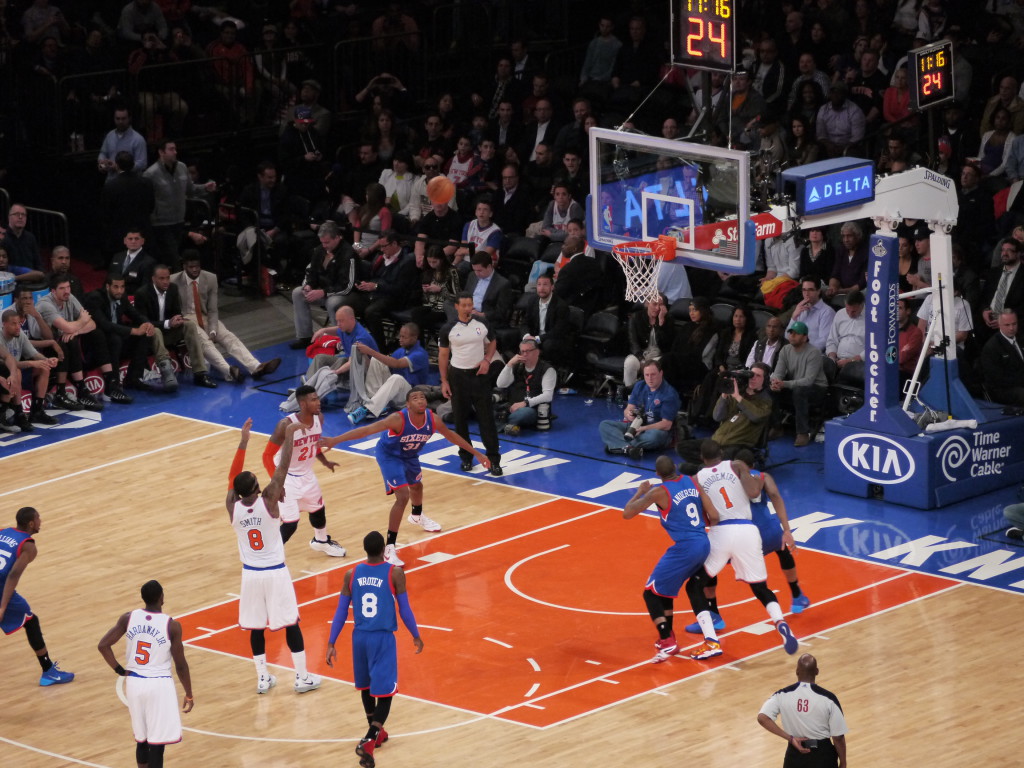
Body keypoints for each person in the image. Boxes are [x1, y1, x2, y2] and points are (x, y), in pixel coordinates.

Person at [322, 388, 490, 565]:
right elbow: (367, 430)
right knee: (402, 496)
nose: (420, 400)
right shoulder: (397, 419)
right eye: (415, 398)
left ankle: (417, 516)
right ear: (407, 404)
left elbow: (452, 436)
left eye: (422, 397)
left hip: (409, 455)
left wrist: (477, 454)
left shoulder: (433, 419)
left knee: (417, 486)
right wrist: (335, 440)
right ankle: (389, 548)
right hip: (389, 455)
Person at [229, 418, 323, 694]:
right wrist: (290, 434)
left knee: (257, 627)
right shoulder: (269, 500)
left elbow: (231, 478)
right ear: (257, 488)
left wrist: (244, 442)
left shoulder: (231, 506)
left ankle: (262, 677)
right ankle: (302, 677)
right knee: (290, 622)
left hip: (250, 575)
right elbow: (283, 467)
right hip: (275, 572)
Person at [689, 439, 799, 660]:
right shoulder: (737, 465)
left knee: (696, 583)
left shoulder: (696, 479)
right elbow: (752, 492)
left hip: (721, 531)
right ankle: (781, 622)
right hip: (748, 531)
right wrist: (754, 478)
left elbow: (706, 513)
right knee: (760, 588)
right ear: (722, 453)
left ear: (702, 459)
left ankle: (711, 639)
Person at [327, 531, 424, 768]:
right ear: (384, 550)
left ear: (365, 549)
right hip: (382, 639)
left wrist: (331, 642)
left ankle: (377, 733)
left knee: (367, 687)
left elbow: (341, 612)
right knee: (387, 693)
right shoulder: (395, 572)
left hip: (359, 638)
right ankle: (369, 739)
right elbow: (405, 610)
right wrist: (416, 635)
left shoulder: (351, 574)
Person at [623, 455, 718, 663]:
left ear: (657, 474)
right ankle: (670, 636)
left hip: (685, 547)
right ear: (675, 467)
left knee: (650, 592)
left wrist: (640, 492)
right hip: (704, 541)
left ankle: (667, 640)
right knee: (665, 591)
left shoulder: (658, 492)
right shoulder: (691, 480)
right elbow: (712, 514)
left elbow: (627, 513)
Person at [97, 579, 193, 768]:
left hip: (134, 683)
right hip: (158, 685)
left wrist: (118, 669)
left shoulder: (128, 618)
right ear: (161, 598)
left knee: (142, 739)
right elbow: (181, 666)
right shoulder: (172, 626)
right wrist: (189, 693)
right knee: (157, 743)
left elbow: (103, 645)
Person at [171, 251, 281, 384]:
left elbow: (212, 309)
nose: (194, 270)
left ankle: (256, 367)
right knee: (205, 341)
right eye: (190, 267)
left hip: (206, 316)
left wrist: (212, 329)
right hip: (186, 319)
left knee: (227, 336)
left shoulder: (210, 278)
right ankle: (228, 371)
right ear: (184, 266)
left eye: (197, 266)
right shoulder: (173, 281)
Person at [264, 385, 347, 556]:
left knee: (318, 510)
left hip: (307, 474)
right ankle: (269, 555)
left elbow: (313, 443)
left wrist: (325, 461)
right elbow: (267, 456)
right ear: (302, 404)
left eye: (318, 398)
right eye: (314, 399)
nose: (319, 402)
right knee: (291, 523)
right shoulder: (285, 425)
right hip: (286, 477)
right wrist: (277, 484)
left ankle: (321, 541)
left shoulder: (319, 419)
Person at [0, 507, 75, 686]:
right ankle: (48, 672)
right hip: (2, 589)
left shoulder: (4, 532)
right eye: (39, 518)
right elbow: (13, 575)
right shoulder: (28, 545)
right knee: (31, 621)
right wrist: (3, 606)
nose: (41, 521)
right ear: (31, 523)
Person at [439, 292, 503, 476]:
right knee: (460, 419)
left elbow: (492, 342)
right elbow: (443, 356)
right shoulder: (448, 329)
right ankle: (466, 457)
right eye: (464, 305)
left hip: (479, 375)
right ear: (457, 307)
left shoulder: (482, 323)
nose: (468, 308)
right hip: (458, 376)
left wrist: (487, 360)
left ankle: (493, 460)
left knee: (487, 419)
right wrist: (444, 381)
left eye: (470, 305)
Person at [677, 363, 773, 473]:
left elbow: (756, 416)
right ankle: (707, 468)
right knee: (682, 447)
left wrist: (738, 397)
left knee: (736, 456)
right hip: (717, 440)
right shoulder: (736, 392)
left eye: (758, 376)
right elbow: (717, 417)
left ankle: (701, 468)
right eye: (751, 375)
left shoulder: (765, 401)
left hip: (737, 444)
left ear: (765, 379)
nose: (753, 378)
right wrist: (724, 395)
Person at [134, 264, 217, 390]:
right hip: (149, 337)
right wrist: (168, 323)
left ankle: (200, 373)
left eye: (167, 278)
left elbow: (176, 312)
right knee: (154, 329)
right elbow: (144, 322)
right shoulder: (142, 293)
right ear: (153, 279)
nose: (166, 281)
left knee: (189, 325)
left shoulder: (173, 288)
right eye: (161, 278)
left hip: (169, 333)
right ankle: (167, 373)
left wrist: (177, 319)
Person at [757, 653, 848, 768]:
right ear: (817, 671)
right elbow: (838, 737)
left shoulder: (782, 695)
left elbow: (762, 718)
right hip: (822, 755)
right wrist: (843, 763)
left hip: (795, 753)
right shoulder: (829, 699)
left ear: (796, 671)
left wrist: (790, 738)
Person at [289, 221, 357, 349]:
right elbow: (312, 271)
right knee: (298, 293)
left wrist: (323, 292)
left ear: (337, 237)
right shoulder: (320, 250)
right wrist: (309, 285)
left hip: (346, 293)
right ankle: (305, 337)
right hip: (325, 290)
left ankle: (339, 341)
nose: (324, 245)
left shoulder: (348, 254)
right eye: (322, 242)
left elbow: (347, 285)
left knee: (332, 302)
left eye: (327, 242)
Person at [345, 322, 430, 424]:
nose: (400, 339)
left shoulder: (420, 354)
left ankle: (368, 409)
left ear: (414, 338)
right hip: (396, 394)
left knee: (397, 378)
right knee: (377, 361)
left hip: (411, 396)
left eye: (404, 337)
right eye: (400, 335)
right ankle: (374, 401)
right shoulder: (401, 351)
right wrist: (365, 355)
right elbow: (385, 363)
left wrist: (370, 351)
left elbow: (397, 364)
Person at [599, 358, 680, 460]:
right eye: (647, 375)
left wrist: (643, 429)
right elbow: (628, 409)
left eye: (653, 374)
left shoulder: (669, 394)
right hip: (636, 425)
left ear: (661, 373)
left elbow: (666, 425)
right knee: (604, 425)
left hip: (656, 430)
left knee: (655, 436)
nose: (650, 378)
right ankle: (629, 449)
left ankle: (617, 445)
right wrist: (629, 414)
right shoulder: (639, 386)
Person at [770, 322, 828, 447]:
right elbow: (778, 373)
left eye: (796, 334)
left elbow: (808, 381)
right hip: (795, 385)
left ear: (805, 337)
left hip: (817, 389)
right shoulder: (785, 350)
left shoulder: (814, 353)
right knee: (771, 389)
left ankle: (802, 433)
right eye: (791, 333)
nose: (792, 336)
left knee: (800, 391)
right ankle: (776, 426)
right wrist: (775, 382)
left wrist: (784, 384)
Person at [1, 308, 59, 428]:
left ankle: (37, 410)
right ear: (4, 324)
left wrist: (46, 360)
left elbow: (33, 353)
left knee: (44, 367)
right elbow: (7, 364)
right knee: (17, 371)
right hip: (6, 373)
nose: (18, 327)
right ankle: (19, 413)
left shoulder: (20, 334)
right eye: (13, 324)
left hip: (16, 372)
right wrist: (32, 363)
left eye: (19, 323)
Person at [495, 334, 557, 435]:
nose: (524, 354)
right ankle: (505, 425)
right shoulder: (517, 366)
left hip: (531, 408)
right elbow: (501, 384)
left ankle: (499, 423)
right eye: (522, 351)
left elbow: (548, 396)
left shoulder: (547, 369)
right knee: (486, 403)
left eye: (528, 351)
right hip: (511, 406)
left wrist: (525, 403)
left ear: (537, 352)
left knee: (524, 414)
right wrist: (509, 364)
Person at [978, 309, 1024, 405]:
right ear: (999, 325)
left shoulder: (1021, 338)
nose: (1011, 328)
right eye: (1007, 325)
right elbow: (997, 379)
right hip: (1003, 390)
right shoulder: (992, 347)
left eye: (1014, 324)